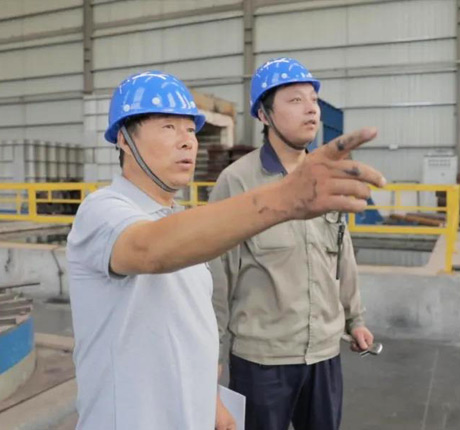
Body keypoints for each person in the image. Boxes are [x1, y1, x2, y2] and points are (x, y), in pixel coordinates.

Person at [66, 70, 384, 430]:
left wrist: (212, 401)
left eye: (190, 130)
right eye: (168, 127)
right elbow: (147, 249)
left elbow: (187, 324)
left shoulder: (183, 221)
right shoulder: (102, 211)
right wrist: (285, 199)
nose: (187, 142)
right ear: (125, 139)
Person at [209, 57, 375, 430]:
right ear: (264, 114)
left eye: (313, 100)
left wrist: (355, 319)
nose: (311, 109)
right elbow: (219, 277)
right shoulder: (237, 182)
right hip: (262, 360)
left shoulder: (326, 176)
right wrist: (212, 356)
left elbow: (342, 255)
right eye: (295, 100)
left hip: (324, 353)